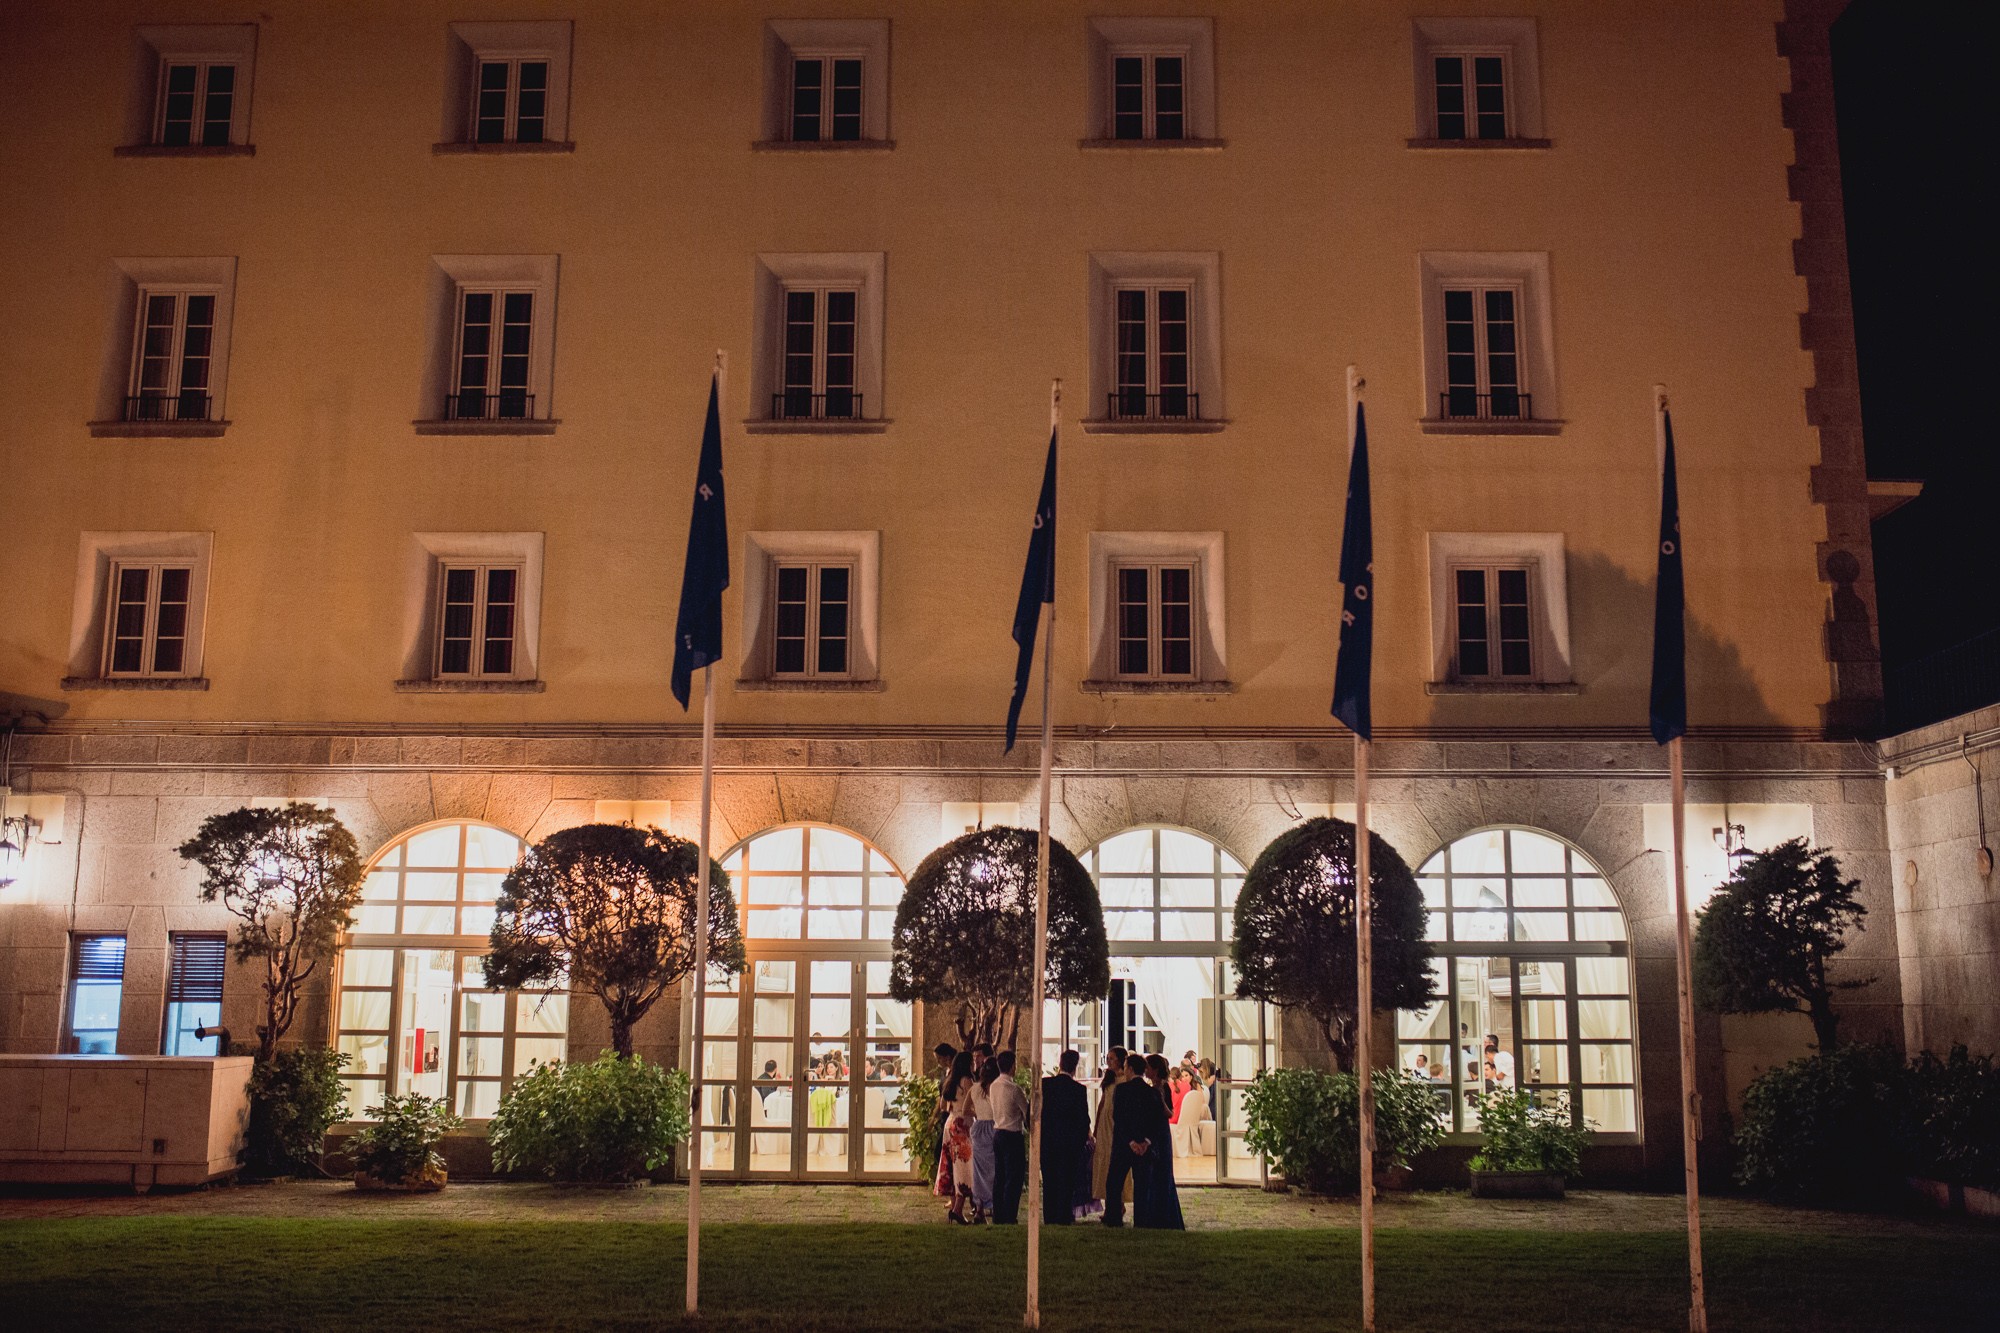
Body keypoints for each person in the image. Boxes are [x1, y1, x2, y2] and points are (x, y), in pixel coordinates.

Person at [1104, 1052, 1167, 1227]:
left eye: (1125, 1068)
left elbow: (1118, 1117)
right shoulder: (1151, 1092)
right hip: (1144, 1147)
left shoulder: (1122, 1090)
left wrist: (1130, 1141)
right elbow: (1156, 1120)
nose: (1124, 1071)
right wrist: (1146, 1141)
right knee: (1142, 1185)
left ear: (1130, 1069)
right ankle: (1141, 1220)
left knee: (1114, 1183)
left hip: (1124, 1145)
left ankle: (1113, 1218)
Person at [1039, 1049, 1091, 1225]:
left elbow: (1035, 1112)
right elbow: (1083, 1119)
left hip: (1047, 1143)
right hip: (1069, 1145)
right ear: (1075, 1067)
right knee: (1067, 1181)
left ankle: (1050, 1216)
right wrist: (1081, 1141)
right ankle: (1063, 1215)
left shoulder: (1045, 1085)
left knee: (1049, 1181)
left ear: (1060, 1064)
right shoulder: (1078, 1090)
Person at [1140, 1053, 1186, 1228]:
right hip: (1155, 1130)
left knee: (1162, 1172)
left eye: (1148, 1067)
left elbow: (1169, 1113)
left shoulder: (1163, 1088)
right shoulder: (1152, 1088)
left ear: (1155, 1069)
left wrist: (1159, 1101)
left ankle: (1165, 1216)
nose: (1145, 1071)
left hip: (1160, 1132)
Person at [989, 1051, 1030, 1224]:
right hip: (1012, 1135)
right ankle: (1009, 1215)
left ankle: (998, 1214)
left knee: (1000, 1176)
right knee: (1014, 1178)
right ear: (1012, 1066)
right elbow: (1026, 1111)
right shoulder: (1014, 1089)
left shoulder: (993, 1086)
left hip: (998, 1132)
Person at [1090, 1046, 1130, 1211]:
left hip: (1117, 1122)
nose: (1109, 1061)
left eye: (1112, 1058)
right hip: (1105, 1124)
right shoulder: (1109, 1078)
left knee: (1116, 1161)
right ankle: (1108, 1203)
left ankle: (1118, 1202)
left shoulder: (1125, 1079)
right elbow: (1102, 1102)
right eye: (1107, 1058)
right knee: (1104, 1161)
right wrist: (1097, 1125)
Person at [937, 1052, 976, 1222]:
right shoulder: (967, 1082)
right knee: (965, 1166)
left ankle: (955, 1207)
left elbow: (943, 1106)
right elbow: (972, 1103)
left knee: (952, 1164)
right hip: (963, 1124)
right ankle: (958, 1209)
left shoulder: (949, 1082)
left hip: (950, 1123)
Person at [970, 1045, 998, 1220]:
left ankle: (979, 1207)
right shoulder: (996, 1089)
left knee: (978, 1170)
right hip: (993, 1128)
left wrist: (978, 1113)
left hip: (978, 1128)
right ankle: (994, 1205)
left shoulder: (974, 1088)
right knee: (995, 1169)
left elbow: (966, 1109)